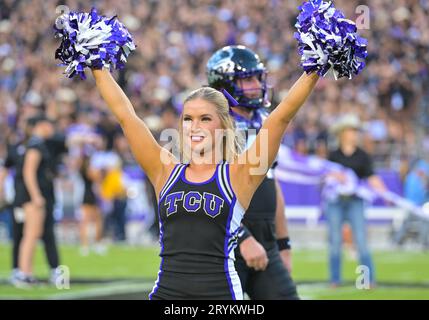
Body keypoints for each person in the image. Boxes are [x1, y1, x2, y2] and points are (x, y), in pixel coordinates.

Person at [85, 62, 317, 299]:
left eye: (205, 119)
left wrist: (316, 67)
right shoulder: (164, 171)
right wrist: (96, 64)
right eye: (188, 119)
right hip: (167, 295)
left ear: (223, 126)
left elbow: (281, 117)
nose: (194, 127)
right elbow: (126, 115)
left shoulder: (240, 175)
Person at [206, 45, 298, 299]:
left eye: (258, 77)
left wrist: (283, 245)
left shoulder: (261, 123)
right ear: (225, 85)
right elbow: (208, 190)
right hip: (224, 244)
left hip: (265, 242)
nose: (257, 84)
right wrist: (243, 238)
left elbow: (272, 184)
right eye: (248, 79)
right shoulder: (213, 127)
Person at [325, 113, 387, 287]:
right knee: (335, 242)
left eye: (356, 131)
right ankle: (335, 280)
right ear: (343, 133)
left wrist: (384, 192)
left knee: (361, 240)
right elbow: (326, 175)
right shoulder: (333, 155)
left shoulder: (363, 156)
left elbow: (371, 176)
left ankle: (368, 279)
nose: (355, 134)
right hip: (336, 202)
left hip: (355, 202)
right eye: (352, 130)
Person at [13, 114, 60, 286]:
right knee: (31, 235)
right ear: (42, 125)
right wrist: (36, 195)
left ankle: (26, 273)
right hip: (32, 198)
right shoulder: (35, 145)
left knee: (33, 234)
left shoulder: (35, 144)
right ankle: (24, 273)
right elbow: (29, 171)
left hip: (31, 196)